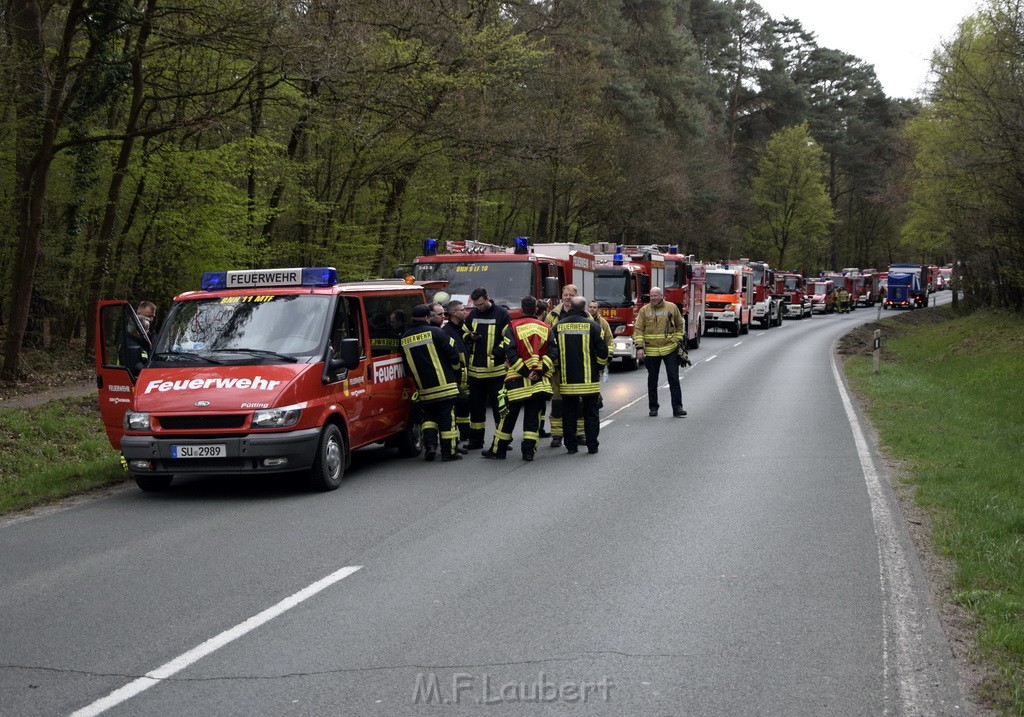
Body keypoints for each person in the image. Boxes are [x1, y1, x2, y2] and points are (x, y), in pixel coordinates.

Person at [483, 296, 557, 461]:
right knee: (533, 419)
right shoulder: (546, 327)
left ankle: (498, 451)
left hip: (516, 380)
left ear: (522, 310)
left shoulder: (512, 326)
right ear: (537, 310)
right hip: (538, 381)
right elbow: (553, 352)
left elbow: (510, 352)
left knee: (508, 418)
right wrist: (539, 370)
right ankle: (528, 452)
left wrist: (525, 372)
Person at [399, 304, 463, 462]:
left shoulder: (404, 338)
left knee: (428, 419)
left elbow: (406, 368)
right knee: (447, 419)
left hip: (424, 389)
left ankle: (430, 448)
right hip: (445, 386)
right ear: (428, 317)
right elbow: (454, 355)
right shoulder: (436, 332)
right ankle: (449, 452)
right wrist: (455, 373)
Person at [552, 296, 607, 454]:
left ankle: (571, 446)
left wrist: (557, 369)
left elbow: (552, 352)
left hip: (567, 381)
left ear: (569, 307)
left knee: (568, 413)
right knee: (591, 413)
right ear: (584, 309)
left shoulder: (558, 326)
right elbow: (602, 351)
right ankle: (592, 445)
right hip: (590, 381)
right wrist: (598, 366)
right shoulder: (594, 326)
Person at [463, 287, 511, 449]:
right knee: (476, 409)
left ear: (487, 298)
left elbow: (509, 338)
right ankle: (476, 441)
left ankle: (502, 440)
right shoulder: (473, 315)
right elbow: (464, 333)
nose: (479, 307)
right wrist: (470, 337)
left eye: (481, 304)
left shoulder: (501, 314)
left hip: (496, 372)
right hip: (476, 372)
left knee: (500, 408)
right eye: (476, 305)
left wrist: (498, 352)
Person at [634, 287, 686, 417]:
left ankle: (677, 408)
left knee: (673, 378)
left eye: (655, 296)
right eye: (651, 296)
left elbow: (680, 325)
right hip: (651, 351)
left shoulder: (672, 307)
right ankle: (653, 408)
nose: (653, 298)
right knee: (652, 380)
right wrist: (639, 347)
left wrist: (676, 339)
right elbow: (638, 329)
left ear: (661, 296)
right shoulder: (644, 310)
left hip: (670, 349)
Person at [543, 284, 578, 447]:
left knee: (578, 401)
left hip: (577, 365)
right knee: (557, 402)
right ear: (561, 295)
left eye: (571, 295)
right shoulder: (552, 315)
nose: (568, 297)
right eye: (565, 294)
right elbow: (545, 338)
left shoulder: (583, 314)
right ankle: (557, 434)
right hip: (557, 365)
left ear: (576, 296)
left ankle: (580, 433)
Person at [442, 299, 471, 450]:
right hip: (456, 375)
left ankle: (466, 433)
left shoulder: (463, 328)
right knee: (458, 404)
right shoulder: (446, 331)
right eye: (462, 310)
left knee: (465, 404)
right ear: (453, 313)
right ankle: (455, 436)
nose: (465, 312)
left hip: (467, 374)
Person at [588, 299, 615, 410]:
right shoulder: (584, 320)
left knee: (595, 379)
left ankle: (596, 399)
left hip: (597, 356)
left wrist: (609, 354)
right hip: (587, 355)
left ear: (598, 309)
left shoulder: (603, 322)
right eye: (590, 307)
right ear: (587, 308)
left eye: (595, 307)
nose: (592, 309)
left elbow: (609, 339)